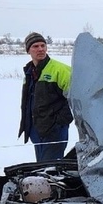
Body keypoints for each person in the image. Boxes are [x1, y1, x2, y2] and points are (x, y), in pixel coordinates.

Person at [18, 32, 72, 162]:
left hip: (54, 131)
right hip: (36, 130)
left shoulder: (59, 70)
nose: (40, 49)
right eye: (35, 46)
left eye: (43, 45)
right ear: (28, 50)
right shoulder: (30, 72)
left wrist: (59, 123)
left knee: (50, 170)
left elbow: (75, 100)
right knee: (41, 168)